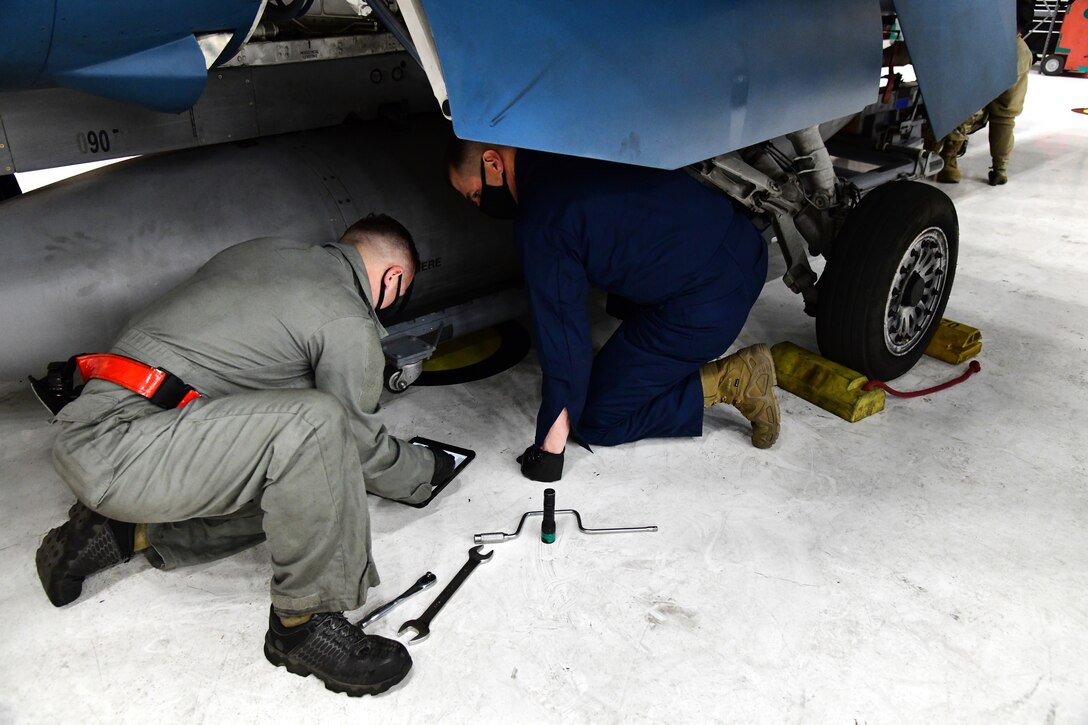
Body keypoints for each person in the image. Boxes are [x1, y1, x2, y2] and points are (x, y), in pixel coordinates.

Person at [35, 214, 455, 697]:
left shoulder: (260, 251)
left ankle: (119, 532)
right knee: (319, 429)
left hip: (99, 430)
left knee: (307, 493)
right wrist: (428, 470)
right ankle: (303, 625)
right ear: (394, 278)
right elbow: (356, 444)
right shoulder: (345, 316)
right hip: (129, 451)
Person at [447, 141, 781, 483]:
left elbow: (563, 340)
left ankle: (732, 380)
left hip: (706, 303)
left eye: (474, 195)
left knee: (595, 418)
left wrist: (549, 450)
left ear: (493, 163)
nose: (479, 206)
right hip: (743, 245)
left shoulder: (542, 217)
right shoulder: (570, 142)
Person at [936, 0, 1035, 186]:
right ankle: (1000, 169)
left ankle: (948, 161)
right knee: (1005, 116)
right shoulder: (1022, 51)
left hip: (988, 41)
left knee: (967, 105)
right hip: (1017, 46)